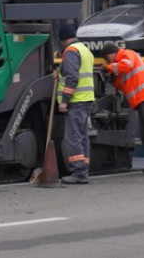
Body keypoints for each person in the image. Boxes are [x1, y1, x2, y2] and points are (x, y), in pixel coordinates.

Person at [101, 40, 144, 175]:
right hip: (143, 101)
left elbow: (126, 66)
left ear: (113, 53)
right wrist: (112, 78)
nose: (107, 61)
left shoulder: (127, 54)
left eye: (107, 58)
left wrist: (109, 68)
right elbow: (122, 84)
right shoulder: (121, 63)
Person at [55, 24, 95, 184]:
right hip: (86, 98)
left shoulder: (70, 51)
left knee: (73, 138)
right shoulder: (84, 49)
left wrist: (64, 101)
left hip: (76, 100)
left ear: (63, 40)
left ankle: (79, 173)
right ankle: (83, 169)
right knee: (83, 137)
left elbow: (72, 78)